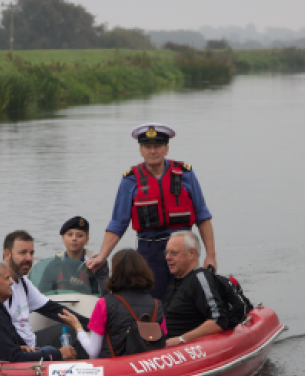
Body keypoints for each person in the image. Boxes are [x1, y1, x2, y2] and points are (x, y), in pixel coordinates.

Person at [86, 123, 217, 299]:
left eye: (158, 146)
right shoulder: (130, 180)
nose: (153, 151)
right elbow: (118, 223)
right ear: (141, 150)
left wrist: (210, 255)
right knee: (155, 301)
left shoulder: (185, 174)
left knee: (190, 296)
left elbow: (202, 216)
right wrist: (102, 256)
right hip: (150, 251)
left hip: (183, 248)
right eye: (148, 147)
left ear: (166, 149)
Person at [0, 259, 76, 363]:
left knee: (47, 348)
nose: (12, 282)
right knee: (52, 350)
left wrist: (20, 347)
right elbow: (13, 358)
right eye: (7, 278)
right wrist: (58, 354)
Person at [59, 249, 166, 359]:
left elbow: (93, 351)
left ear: (115, 273)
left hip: (116, 369)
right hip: (148, 368)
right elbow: (162, 342)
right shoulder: (157, 305)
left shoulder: (104, 304)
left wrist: (78, 327)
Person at [0, 230, 89, 348]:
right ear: (7, 254)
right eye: (23, 253)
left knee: (71, 330)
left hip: (30, 342)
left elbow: (52, 309)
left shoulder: (24, 283)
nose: (29, 258)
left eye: (31, 253)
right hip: (15, 347)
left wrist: (90, 323)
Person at [160, 231, 235, 347]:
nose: (167, 257)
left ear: (191, 254)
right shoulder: (176, 281)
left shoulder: (200, 278)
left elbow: (218, 321)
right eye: (167, 252)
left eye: (173, 253)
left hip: (186, 349)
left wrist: (181, 339)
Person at [36, 216, 109, 295]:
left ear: (86, 240)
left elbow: (103, 292)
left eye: (80, 235)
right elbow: (42, 292)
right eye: (70, 235)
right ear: (63, 239)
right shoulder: (54, 264)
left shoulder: (98, 262)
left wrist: (86, 284)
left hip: (89, 304)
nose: (74, 239)